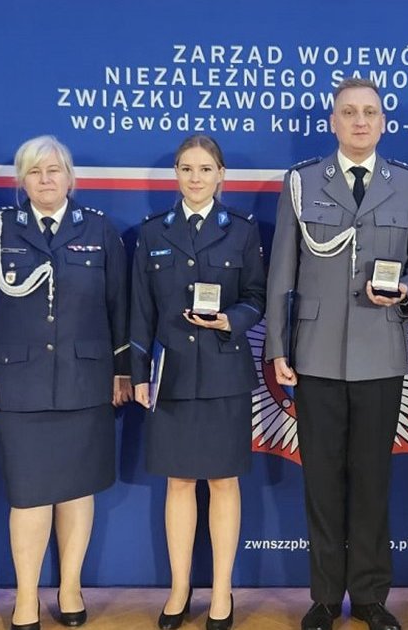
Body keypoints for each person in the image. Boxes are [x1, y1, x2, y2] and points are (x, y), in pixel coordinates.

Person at [264, 77, 408, 630]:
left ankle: (368, 596)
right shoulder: (300, 182)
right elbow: (281, 274)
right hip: (314, 355)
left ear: (383, 122)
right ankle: (323, 596)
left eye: (370, 112)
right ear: (333, 122)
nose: (360, 121)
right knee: (321, 481)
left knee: (371, 482)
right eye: (349, 112)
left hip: (381, 355)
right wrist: (277, 347)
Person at [0, 135, 132, 630]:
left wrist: (122, 370)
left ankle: (71, 586)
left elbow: (118, 307)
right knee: (29, 495)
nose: (45, 179)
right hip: (18, 386)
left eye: (54, 170)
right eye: (34, 172)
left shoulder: (98, 230)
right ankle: (27, 596)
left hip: (85, 382)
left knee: (78, 491)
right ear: (22, 180)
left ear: (70, 176)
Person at [129, 134, 266, 630]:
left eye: (205, 169)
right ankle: (180, 589)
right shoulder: (151, 233)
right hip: (171, 375)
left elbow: (257, 296)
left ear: (221, 175)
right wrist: (139, 374)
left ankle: (223, 592)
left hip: (225, 371)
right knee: (179, 481)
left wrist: (230, 319)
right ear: (175, 175)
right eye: (186, 168)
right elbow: (140, 310)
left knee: (224, 481)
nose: (195, 178)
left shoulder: (243, 232)